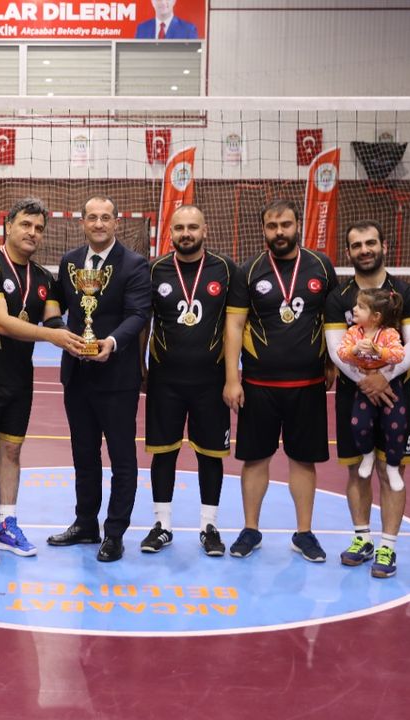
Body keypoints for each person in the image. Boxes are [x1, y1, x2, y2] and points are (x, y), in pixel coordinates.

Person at [0, 197, 83, 566]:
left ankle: (5, 524)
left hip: (19, 380)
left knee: (11, 451)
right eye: (26, 224)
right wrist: (53, 336)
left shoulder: (43, 278)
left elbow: (53, 318)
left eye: (39, 228)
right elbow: (1, 322)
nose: (32, 233)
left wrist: (79, 337)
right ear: (8, 226)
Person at [224, 199, 338, 563]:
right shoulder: (248, 270)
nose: (279, 232)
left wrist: (332, 361)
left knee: (304, 460)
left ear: (297, 224)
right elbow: (234, 325)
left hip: (308, 384)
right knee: (255, 458)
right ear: (263, 229)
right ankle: (250, 529)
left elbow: (334, 319)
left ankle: (304, 533)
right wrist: (232, 378)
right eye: (272, 226)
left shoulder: (321, 265)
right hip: (259, 384)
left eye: (285, 224)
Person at [47, 195, 152, 563]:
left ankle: (115, 532)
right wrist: (57, 330)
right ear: (82, 223)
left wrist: (111, 342)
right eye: (92, 217)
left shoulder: (135, 265)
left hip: (117, 376)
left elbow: (138, 314)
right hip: (77, 374)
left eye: (105, 217)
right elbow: (55, 302)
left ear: (116, 222)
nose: (99, 224)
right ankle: (85, 523)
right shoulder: (70, 262)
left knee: (122, 457)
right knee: (84, 454)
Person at [323, 220, 410, 579]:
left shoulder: (406, 293)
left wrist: (384, 378)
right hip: (353, 395)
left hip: (395, 394)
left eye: (370, 243)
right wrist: (366, 381)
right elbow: (336, 350)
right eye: (357, 245)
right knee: (357, 468)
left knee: (391, 467)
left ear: (383, 245)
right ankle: (362, 539)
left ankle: (388, 546)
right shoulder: (338, 298)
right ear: (348, 252)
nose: (364, 250)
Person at [140, 206, 239, 556]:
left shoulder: (226, 269)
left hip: (211, 380)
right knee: (163, 452)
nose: (186, 233)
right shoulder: (154, 270)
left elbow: (234, 325)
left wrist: (232, 378)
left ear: (205, 230)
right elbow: (143, 320)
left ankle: (209, 526)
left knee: (210, 455)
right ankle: (162, 525)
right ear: (170, 233)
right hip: (164, 379)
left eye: (193, 227)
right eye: (180, 227)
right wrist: (140, 365)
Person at [336, 289, 408, 487]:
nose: (354, 309)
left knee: (396, 426)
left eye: (360, 307)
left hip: (390, 386)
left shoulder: (389, 333)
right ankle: (368, 454)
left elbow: (399, 355)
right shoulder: (353, 333)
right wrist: (354, 350)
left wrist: (379, 351)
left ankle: (393, 466)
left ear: (376, 316)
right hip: (365, 386)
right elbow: (341, 353)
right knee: (358, 424)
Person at [135, 0, 199, 39]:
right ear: (152, 2)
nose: (163, 2)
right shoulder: (142, 29)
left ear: (174, 1)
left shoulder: (188, 30)